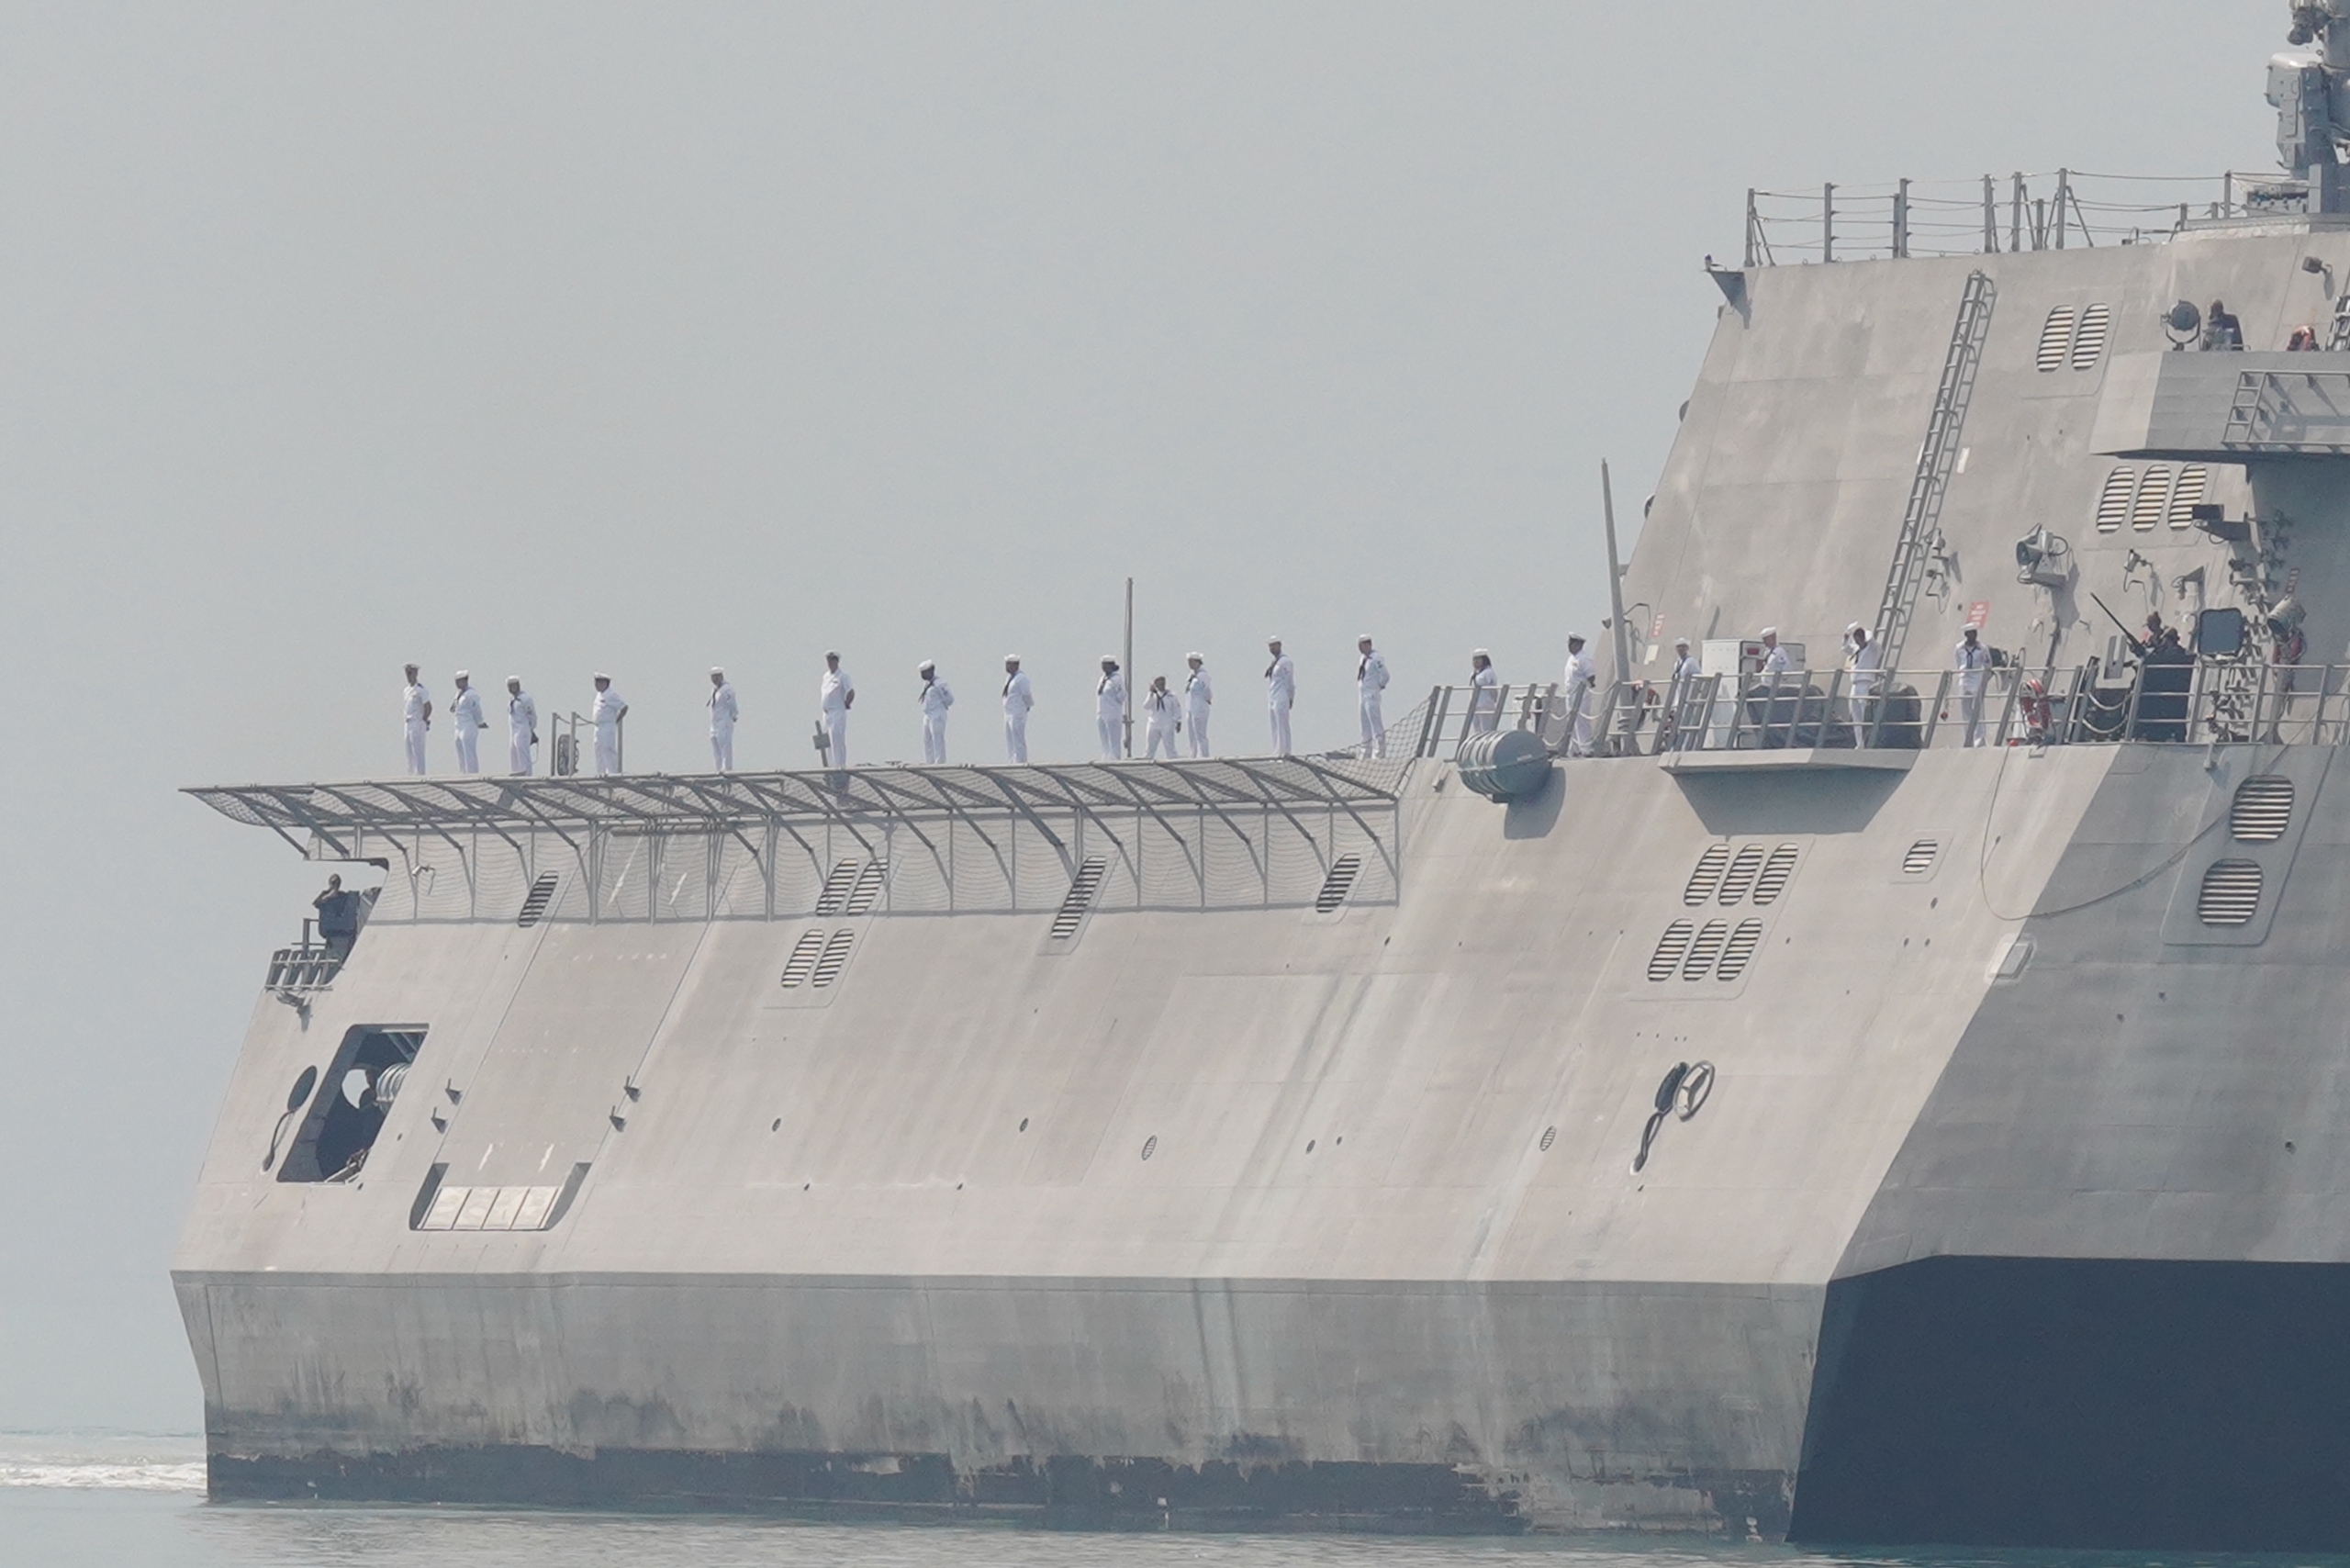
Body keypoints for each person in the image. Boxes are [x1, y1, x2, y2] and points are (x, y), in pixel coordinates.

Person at [1953, 626, 1991, 746]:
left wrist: (1985, 676)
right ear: (1966, 634)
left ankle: (1979, 739)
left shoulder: (1982, 648)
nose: (1973, 636)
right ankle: (1969, 737)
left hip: (1976, 678)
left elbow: (1987, 664)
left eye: (1974, 633)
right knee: (1965, 710)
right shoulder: (1959, 648)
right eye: (1970, 633)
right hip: (1964, 679)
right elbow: (1958, 662)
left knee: (1978, 710)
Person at [313, 873, 361, 962]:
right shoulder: (325, 895)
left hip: (343, 934)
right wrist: (328, 895)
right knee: (332, 959)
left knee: (339, 959)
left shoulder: (343, 896)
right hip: (332, 934)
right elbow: (317, 903)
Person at [1844, 622, 1880, 740]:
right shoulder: (1857, 650)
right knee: (1855, 712)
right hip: (1855, 683)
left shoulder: (1872, 649)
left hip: (1865, 682)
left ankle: (1868, 738)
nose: (1857, 642)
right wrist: (1847, 635)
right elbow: (1846, 648)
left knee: (1864, 710)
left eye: (1858, 640)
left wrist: (1865, 632)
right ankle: (1859, 742)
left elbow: (1872, 640)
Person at [1356, 634, 1390, 757]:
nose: (1360, 648)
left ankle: (1379, 752)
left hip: (1371, 694)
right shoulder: (1363, 658)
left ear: (1367, 645)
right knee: (1364, 724)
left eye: (1362, 645)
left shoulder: (1376, 659)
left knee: (1375, 724)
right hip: (1363, 694)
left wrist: (1379, 686)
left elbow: (1385, 675)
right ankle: (1365, 751)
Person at [820, 652, 855, 767]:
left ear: (836, 662)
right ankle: (830, 765)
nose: (830, 663)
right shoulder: (826, 676)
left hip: (837, 711)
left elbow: (850, 691)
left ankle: (839, 765)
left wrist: (847, 703)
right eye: (829, 661)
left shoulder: (843, 676)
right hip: (826, 712)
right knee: (827, 740)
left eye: (832, 660)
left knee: (836, 738)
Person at [1563, 633, 1596, 756]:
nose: (1569, 646)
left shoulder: (1583, 659)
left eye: (1571, 643)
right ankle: (1573, 749)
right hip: (1570, 694)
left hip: (1581, 694)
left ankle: (1586, 748)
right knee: (1571, 722)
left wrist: (1587, 685)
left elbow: (1591, 676)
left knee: (1581, 721)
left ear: (1578, 644)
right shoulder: (1571, 659)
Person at [589, 674, 628, 775]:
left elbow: (624, 708)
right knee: (599, 750)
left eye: (598, 682)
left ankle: (612, 772)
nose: (596, 685)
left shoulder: (611, 695)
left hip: (607, 726)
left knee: (608, 749)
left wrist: (616, 720)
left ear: (604, 683)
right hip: (598, 726)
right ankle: (601, 772)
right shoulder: (599, 695)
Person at [918, 660, 954, 764]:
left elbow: (950, 699)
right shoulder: (927, 684)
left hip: (937, 714)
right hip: (927, 714)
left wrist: (942, 705)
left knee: (937, 739)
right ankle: (929, 761)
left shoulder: (939, 684)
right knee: (927, 740)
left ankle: (939, 762)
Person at [449, 671, 485, 775]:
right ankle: (463, 773)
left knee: (469, 750)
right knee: (460, 750)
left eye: (459, 681)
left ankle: (472, 773)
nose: (456, 683)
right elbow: (453, 708)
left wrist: (480, 722)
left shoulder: (471, 694)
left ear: (464, 681)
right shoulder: (458, 694)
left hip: (468, 725)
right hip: (458, 725)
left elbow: (476, 710)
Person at [1265, 636, 1295, 756]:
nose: (1272, 648)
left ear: (1280, 645)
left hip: (1282, 695)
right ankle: (1276, 751)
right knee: (1274, 725)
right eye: (1270, 646)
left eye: (1274, 645)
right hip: (1272, 695)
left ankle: (1285, 751)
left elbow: (1289, 681)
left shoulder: (1285, 662)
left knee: (1282, 724)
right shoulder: (1274, 662)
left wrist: (1290, 696)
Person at [401, 665, 432, 776]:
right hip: (408, 722)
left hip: (417, 722)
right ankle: (410, 774)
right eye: (407, 674)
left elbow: (428, 707)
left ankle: (420, 774)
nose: (408, 676)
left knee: (418, 751)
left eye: (410, 673)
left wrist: (424, 720)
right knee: (409, 751)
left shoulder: (421, 690)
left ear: (415, 674)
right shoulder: (406, 690)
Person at [1002, 655, 1034, 763]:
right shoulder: (1010, 678)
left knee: (1018, 739)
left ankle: (1021, 760)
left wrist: (1027, 707)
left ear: (1015, 665)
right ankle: (1012, 760)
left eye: (1008, 664)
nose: (1006, 667)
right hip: (1009, 712)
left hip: (1017, 713)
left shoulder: (1021, 679)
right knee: (1010, 739)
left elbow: (1027, 695)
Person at [1095, 655, 1126, 760]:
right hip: (1101, 712)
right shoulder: (1102, 679)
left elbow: (1122, 696)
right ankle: (1106, 757)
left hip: (1112, 712)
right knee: (1104, 738)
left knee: (1114, 739)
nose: (1104, 668)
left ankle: (1115, 758)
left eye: (1106, 665)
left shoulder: (1117, 679)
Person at [1142, 675, 1181, 759]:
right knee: (1150, 748)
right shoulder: (1153, 696)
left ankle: (1173, 760)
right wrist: (1150, 693)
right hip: (1154, 723)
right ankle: (1148, 760)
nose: (1161, 684)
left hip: (1167, 724)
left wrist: (1178, 721)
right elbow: (1146, 706)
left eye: (1162, 682)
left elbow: (1176, 709)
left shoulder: (1171, 696)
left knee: (1170, 747)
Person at [708, 667, 739, 772]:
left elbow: (732, 704)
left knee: (725, 746)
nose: (715, 679)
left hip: (724, 722)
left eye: (717, 677)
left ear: (721, 676)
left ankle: (727, 769)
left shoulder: (727, 689)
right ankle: (718, 769)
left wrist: (734, 715)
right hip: (714, 723)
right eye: (713, 677)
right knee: (716, 747)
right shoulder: (715, 690)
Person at [506, 677, 538, 776]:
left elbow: (532, 717)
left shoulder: (525, 699)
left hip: (523, 729)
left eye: (513, 686)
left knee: (523, 752)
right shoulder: (512, 700)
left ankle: (527, 774)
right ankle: (516, 772)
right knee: (514, 753)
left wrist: (531, 729)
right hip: (513, 730)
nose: (511, 689)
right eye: (509, 687)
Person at [1183, 653, 1214, 757]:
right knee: (1191, 734)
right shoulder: (1191, 676)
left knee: (1200, 733)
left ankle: (1204, 755)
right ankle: (1193, 754)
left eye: (1192, 661)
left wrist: (1207, 699)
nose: (1190, 664)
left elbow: (1207, 691)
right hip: (1190, 708)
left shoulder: (1202, 676)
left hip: (1200, 708)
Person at [1468, 649, 1500, 733]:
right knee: (1477, 728)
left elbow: (1489, 686)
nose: (1475, 662)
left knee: (1486, 728)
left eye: (1478, 659)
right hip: (1475, 705)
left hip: (1486, 704)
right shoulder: (1474, 674)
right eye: (1474, 660)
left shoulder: (1488, 672)